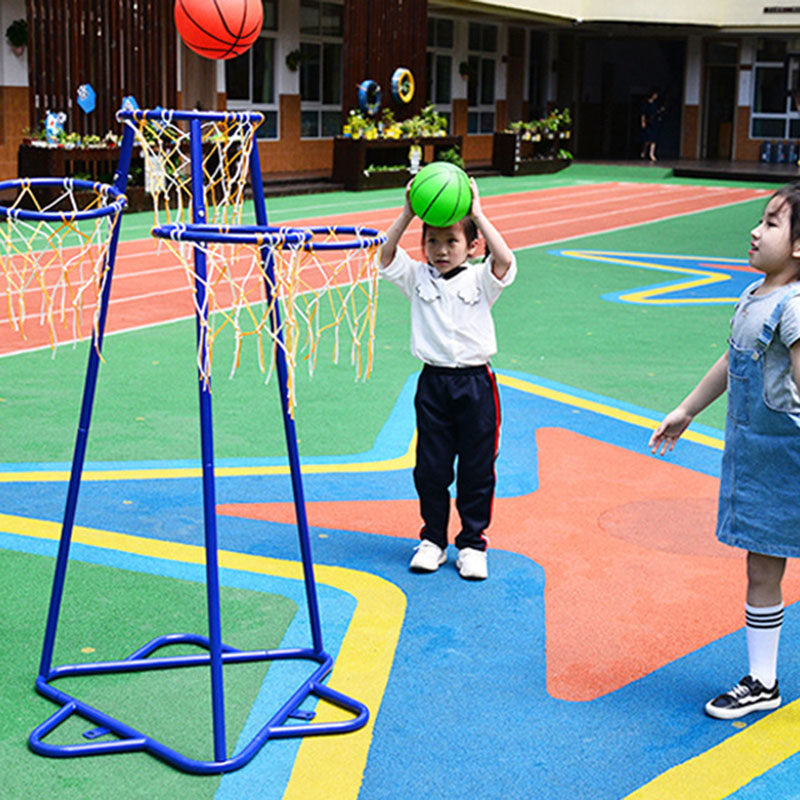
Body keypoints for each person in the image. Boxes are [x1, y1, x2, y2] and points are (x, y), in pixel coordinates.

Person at [649, 182, 800, 719]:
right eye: (760, 220)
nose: (755, 231)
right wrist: (688, 409)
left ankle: (763, 680)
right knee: (762, 566)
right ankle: (763, 681)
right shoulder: (755, 296)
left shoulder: (793, 306)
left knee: (765, 564)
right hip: (757, 460)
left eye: (772, 223)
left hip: (787, 458)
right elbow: (733, 358)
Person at [378, 177, 516, 580]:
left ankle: (472, 544)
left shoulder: (480, 279)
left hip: (476, 385)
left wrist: (477, 214)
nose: (441, 250)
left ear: (471, 247)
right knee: (431, 468)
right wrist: (407, 213)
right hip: (434, 385)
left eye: (452, 242)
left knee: (477, 468)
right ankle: (434, 540)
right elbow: (386, 257)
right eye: (433, 241)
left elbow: (504, 260)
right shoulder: (417, 277)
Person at [640, 88, 663, 162]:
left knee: (654, 138)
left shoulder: (656, 103)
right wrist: (643, 122)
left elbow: (657, 111)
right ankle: (644, 151)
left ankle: (651, 154)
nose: (656, 96)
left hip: (655, 122)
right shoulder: (646, 103)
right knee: (648, 139)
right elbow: (643, 113)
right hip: (648, 122)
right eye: (655, 94)